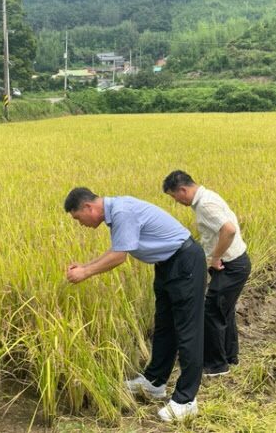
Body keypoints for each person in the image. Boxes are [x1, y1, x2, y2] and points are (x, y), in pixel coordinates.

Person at [64, 187, 206, 421]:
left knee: (188, 332)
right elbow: (118, 247)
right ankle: (154, 382)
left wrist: (86, 273)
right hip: (167, 265)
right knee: (164, 327)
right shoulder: (116, 211)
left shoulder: (121, 212)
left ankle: (186, 400)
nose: (81, 224)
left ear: (88, 207)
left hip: (184, 263)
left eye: (79, 218)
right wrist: (86, 265)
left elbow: (119, 256)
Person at [163, 170, 251, 377]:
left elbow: (228, 230)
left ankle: (216, 365)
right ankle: (230, 356)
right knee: (224, 311)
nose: (176, 201)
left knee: (212, 311)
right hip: (236, 263)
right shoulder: (209, 196)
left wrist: (215, 256)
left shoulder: (205, 205)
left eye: (174, 196)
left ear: (182, 190)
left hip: (231, 265)